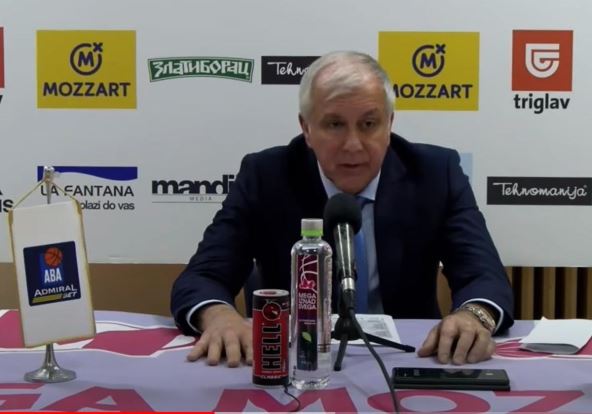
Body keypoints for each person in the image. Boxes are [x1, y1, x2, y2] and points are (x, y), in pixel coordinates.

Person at [171, 51, 514, 368]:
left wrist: (473, 316)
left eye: (369, 124)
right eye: (334, 124)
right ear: (306, 129)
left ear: (390, 124)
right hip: (298, 362)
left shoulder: (435, 174)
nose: (353, 145)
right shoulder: (267, 176)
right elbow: (203, 276)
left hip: (409, 358)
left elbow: (483, 276)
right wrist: (219, 316)